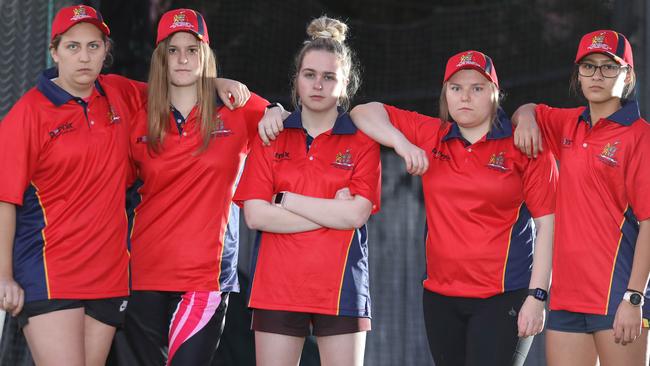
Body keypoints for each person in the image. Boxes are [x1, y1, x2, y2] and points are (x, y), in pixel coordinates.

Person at [262, 49, 557, 366]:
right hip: (441, 297)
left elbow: (547, 226)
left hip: (504, 297)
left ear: (494, 93)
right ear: (445, 94)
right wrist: (402, 143)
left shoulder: (524, 144)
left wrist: (537, 296)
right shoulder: (433, 135)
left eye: (477, 88)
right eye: (455, 88)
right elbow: (364, 111)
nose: (465, 97)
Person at [0, 5, 248, 366]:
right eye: (72, 47)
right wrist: (4, 275)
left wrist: (216, 83)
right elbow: (5, 198)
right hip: (50, 271)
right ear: (54, 52)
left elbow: (175, 84)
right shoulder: (29, 112)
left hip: (109, 276)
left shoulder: (121, 94)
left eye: (93, 46)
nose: (84, 57)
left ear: (105, 51)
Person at [123, 8, 268, 366]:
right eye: (173, 50)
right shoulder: (138, 113)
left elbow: (291, 126)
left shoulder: (240, 108)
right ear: (161, 58)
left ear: (206, 55)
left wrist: (274, 110)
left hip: (205, 277)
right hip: (142, 273)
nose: (183, 58)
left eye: (192, 49)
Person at [233, 16, 381, 366]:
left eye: (329, 77)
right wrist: (332, 213)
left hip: (342, 287)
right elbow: (255, 215)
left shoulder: (363, 139)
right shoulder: (271, 134)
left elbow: (356, 214)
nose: (318, 85)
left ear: (344, 85)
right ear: (296, 80)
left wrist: (285, 200)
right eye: (310, 75)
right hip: (276, 287)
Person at [512, 30, 650, 366]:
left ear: (627, 75)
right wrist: (527, 118)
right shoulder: (569, 124)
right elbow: (526, 109)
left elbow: (649, 224)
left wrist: (634, 299)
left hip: (616, 297)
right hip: (565, 300)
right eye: (588, 66)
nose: (597, 75)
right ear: (578, 74)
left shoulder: (641, 136)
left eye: (608, 67)